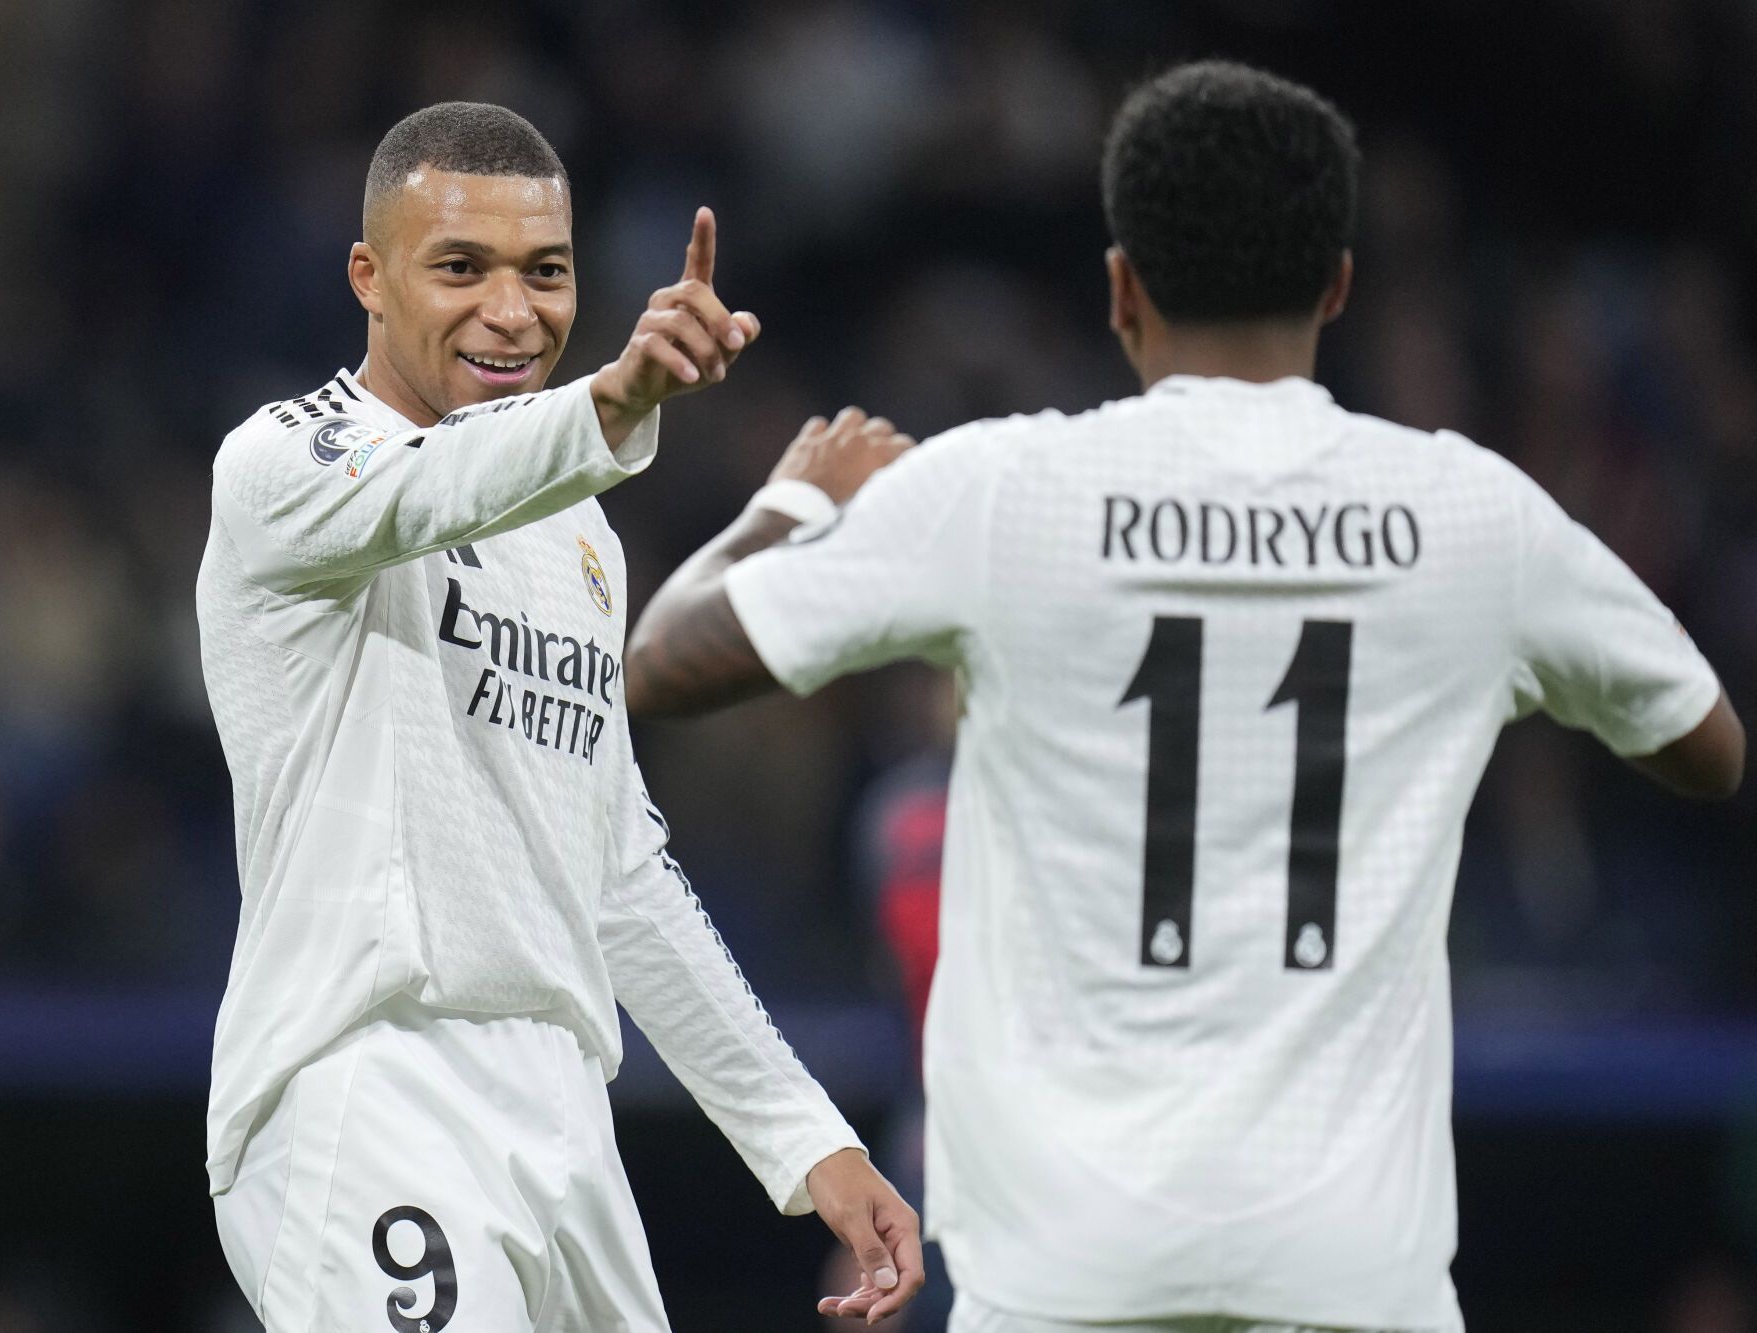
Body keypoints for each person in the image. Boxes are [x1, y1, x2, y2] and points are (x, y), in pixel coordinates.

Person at [624, 61, 1745, 1333]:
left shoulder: (1005, 488)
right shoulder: (1467, 512)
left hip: (1063, 1277)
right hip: (1353, 1280)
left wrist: (793, 500)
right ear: (1336, 282)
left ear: (1118, 287)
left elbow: (659, 660)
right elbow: (1703, 744)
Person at [196, 102, 922, 1333]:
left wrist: (806, 1140)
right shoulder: (283, 464)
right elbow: (433, 487)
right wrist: (618, 398)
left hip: (562, 1114)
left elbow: (617, 871)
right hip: (367, 1085)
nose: (512, 310)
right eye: (459, 267)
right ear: (368, 276)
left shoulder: (573, 529)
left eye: (544, 271)